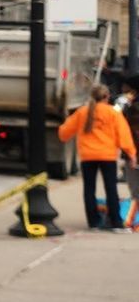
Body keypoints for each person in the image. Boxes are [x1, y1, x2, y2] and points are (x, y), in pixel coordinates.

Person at [57, 83, 137, 230]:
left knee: (89, 189)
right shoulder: (113, 113)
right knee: (111, 188)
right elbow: (123, 135)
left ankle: (93, 222)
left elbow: (64, 132)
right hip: (107, 156)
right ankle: (116, 223)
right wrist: (132, 154)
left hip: (88, 156)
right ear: (107, 97)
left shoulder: (82, 112)